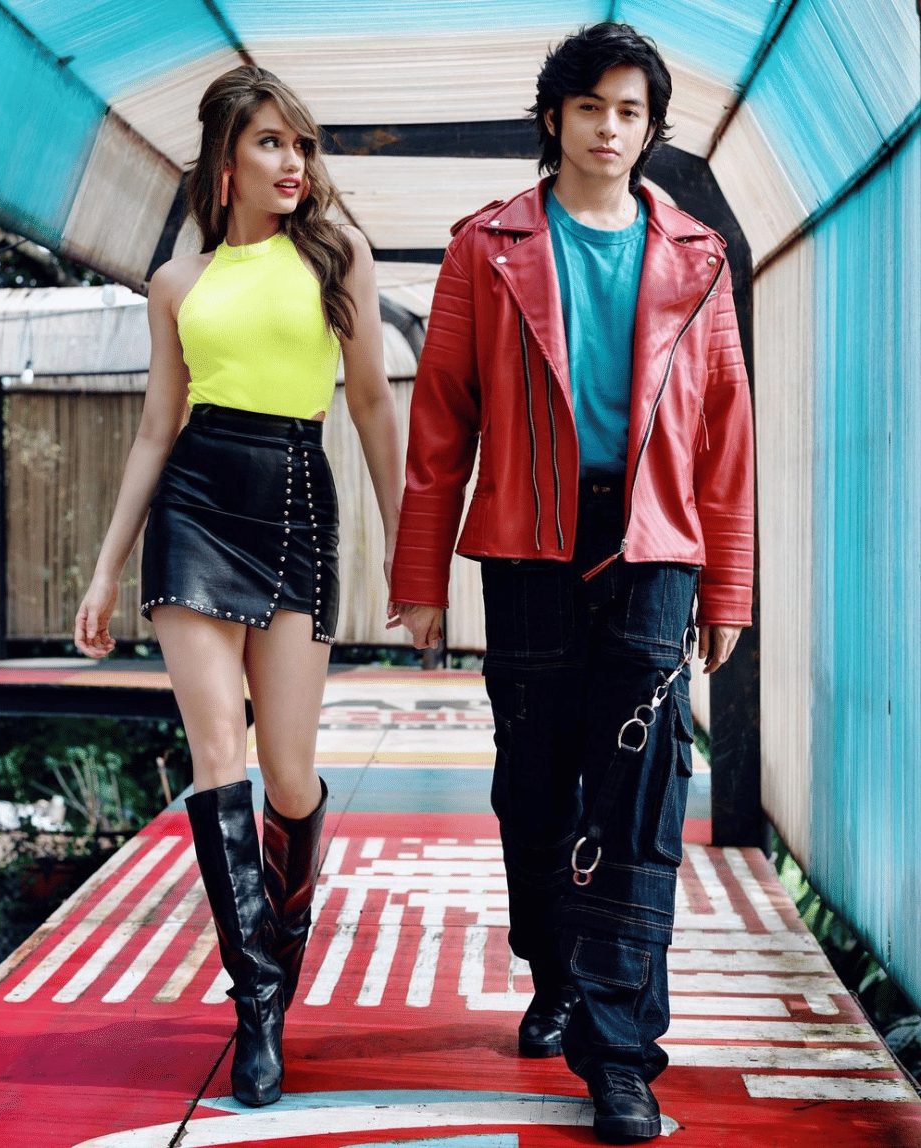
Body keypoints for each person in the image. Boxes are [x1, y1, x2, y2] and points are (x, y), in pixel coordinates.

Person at [390, 22, 753, 1145]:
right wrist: (420, 577)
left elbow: (727, 433)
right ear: (553, 116)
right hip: (527, 549)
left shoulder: (697, 254)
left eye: (630, 111)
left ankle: (620, 1055)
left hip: (654, 549)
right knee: (537, 790)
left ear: (651, 128)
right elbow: (439, 423)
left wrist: (727, 587)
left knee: (639, 800)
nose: (609, 127)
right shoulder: (487, 246)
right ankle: (555, 968)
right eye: (590, 106)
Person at [74, 65, 401, 1109]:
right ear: (225, 159)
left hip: (299, 501)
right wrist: (106, 566)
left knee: (290, 778)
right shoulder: (177, 283)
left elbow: (370, 404)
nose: (293, 162)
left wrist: (410, 545)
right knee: (219, 753)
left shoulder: (338, 254)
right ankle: (257, 1000)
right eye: (270, 142)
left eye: (300, 144)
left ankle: (275, 953)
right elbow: (155, 429)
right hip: (195, 509)